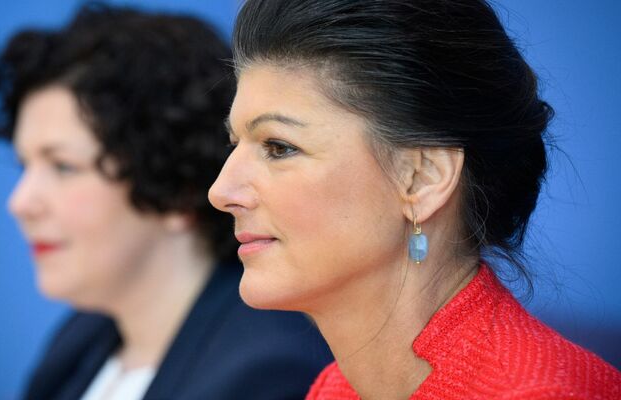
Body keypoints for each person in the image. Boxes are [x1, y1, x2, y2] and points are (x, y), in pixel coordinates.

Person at [208, 0, 621, 398]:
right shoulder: (337, 389)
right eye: (234, 143)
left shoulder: (545, 393)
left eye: (279, 147)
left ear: (423, 179)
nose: (221, 192)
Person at [0, 3, 331, 400]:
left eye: (63, 167)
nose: (21, 202)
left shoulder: (268, 372)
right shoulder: (82, 338)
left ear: (174, 187)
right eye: (25, 165)